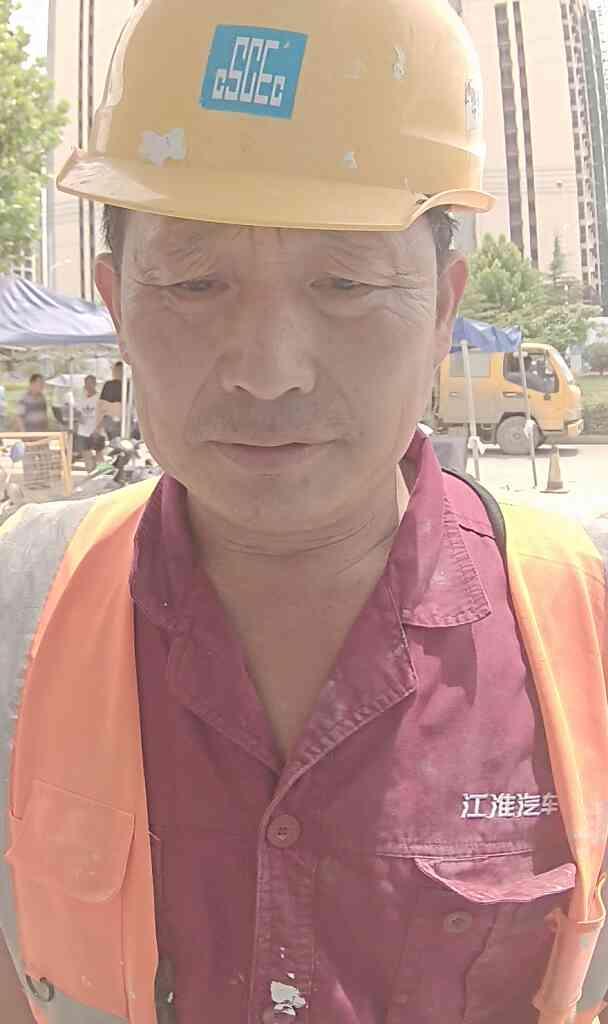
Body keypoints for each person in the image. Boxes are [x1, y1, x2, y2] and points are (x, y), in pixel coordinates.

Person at [0, 3, 607, 1024]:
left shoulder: (585, 620)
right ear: (115, 303)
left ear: (442, 307)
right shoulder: (19, 611)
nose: (269, 369)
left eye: (345, 282)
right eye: (195, 282)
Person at [74, 375, 105, 472]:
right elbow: (78, 413)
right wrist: (77, 417)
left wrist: (98, 429)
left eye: (90, 383)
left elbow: (104, 415)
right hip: (83, 431)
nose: (87, 386)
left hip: (96, 431)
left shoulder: (100, 398)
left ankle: (101, 474)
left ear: (95, 384)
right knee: (86, 455)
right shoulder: (82, 398)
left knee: (99, 454)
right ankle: (90, 472)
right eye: (86, 383)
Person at [96, 360, 123, 441]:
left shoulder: (129, 385)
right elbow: (101, 405)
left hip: (125, 420)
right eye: (115, 370)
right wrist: (98, 424)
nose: (116, 372)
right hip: (110, 419)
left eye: (119, 370)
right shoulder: (108, 385)